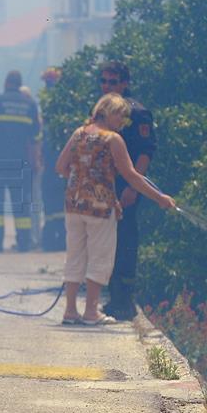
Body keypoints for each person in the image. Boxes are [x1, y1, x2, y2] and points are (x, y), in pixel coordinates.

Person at [55, 93, 174, 325]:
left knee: (75, 255)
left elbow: (61, 167)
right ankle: (91, 311)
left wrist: (82, 180)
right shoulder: (113, 139)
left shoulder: (79, 133)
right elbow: (132, 175)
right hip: (100, 207)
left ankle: (70, 311)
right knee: (101, 256)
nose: (123, 123)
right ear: (111, 113)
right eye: (121, 116)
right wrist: (159, 197)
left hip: (74, 204)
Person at [97, 61, 157, 321]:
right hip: (104, 186)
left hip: (127, 186)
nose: (107, 86)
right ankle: (112, 298)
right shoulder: (102, 110)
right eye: (104, 81)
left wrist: (134, 187)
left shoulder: (138, 112)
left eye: (113, 82)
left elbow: (145, 153)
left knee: (125, 241)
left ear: (124, 83)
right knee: (106, 241)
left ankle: (124, 300)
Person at [0, 70, 40, 252]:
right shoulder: (30, 104)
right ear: (20, 85)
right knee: (21, 204)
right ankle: (24, 242)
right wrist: (36, 161)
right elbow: (35, 138)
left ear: (6, 83)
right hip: (21, 163)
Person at [39, 67, 67, 251]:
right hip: (54, 162)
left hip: (54, 162)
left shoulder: (55, 107)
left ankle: (52, 239)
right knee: (54, 204)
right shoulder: (64, 105)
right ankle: (55, 239)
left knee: (54, 203)